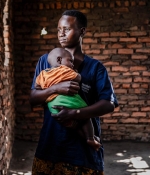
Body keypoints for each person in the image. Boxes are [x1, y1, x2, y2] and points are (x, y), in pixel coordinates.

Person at [30, 10, 118, 174]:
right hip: (50, 147)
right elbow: (33, 98)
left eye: (67, 29)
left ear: (82, 31)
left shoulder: (95, 68)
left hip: (82, 153)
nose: (61, 34)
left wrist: (75, 113)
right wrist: (55, 88)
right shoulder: (45, 61)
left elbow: (109, 104)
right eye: (58, 29)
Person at [35, 47, 101, 151]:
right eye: (70, 61)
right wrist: (76, 73)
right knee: (85, 119)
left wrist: (49, 86)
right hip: (69, 102)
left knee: (74, 126)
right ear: (59, 60)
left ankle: (85, 136)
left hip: (54, 107)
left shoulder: (42, 74)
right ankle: (90, 138)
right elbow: (78, 78)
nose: (72, 64)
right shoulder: (64, 70)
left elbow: (37, 88)